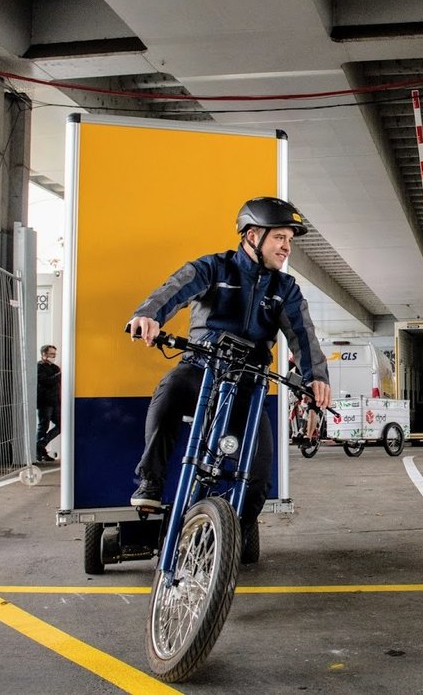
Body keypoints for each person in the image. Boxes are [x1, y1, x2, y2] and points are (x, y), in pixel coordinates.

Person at [126, 196, 331, 554]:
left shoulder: (285, 290)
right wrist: (149, 315)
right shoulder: (214, 269)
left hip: (248, 382)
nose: (286, 247)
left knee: (258, 479)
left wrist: (316, 379)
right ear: (253, 235)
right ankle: (151, 483)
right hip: (201, 368)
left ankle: (231, 536)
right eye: (280, 237)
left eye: (289, 240)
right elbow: (174, 290)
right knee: (169, 392)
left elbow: (303, 336)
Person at [36, 344, 61, 462]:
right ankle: (40, 450)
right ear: (43, 355)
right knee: (43, 426)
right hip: (45, 402)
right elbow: (46, 381)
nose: (54, 356)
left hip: (55, 401)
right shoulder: (39, 367)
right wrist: (59, 375)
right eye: (51, 354)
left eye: (54, 354)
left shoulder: (55, 368)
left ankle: (40, 445)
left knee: (61, 425)